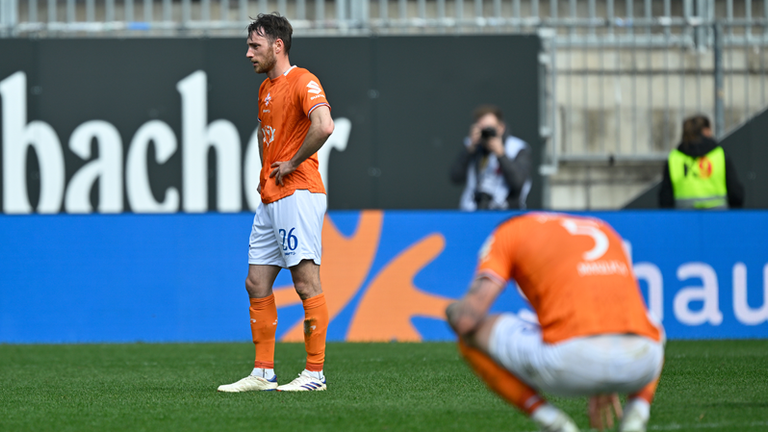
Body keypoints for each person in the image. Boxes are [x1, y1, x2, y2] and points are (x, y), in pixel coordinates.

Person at [446, 212, 665, 432]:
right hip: (642, 363)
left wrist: (450, 310)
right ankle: (636, 418)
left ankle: (554, 424)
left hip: (571, 362)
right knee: (652, 324)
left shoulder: (509, 232)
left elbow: (466, 320)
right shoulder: (601, 227)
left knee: (471, 335)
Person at [217, 13, 334, 393]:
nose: (248, 53)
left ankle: (314, 375)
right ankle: (263, 373)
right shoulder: (265, 89)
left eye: (255, 46)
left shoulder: (303, 80)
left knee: (305, 282)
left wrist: (294, 161)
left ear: (277, 46)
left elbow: (324, 125)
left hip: (298, 191)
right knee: (256, 282)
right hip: (271, 195)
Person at [449, 105, 532, 211]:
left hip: (505, 212)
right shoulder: (473, 147)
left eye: (489, 128)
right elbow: (455, 177)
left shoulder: (516, 148)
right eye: (481, 129)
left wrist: (501, 154)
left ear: (501, 128)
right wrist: (469, 150)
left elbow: (518, 183)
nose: (485, 134)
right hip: (473, 211)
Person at [659, 114, 744, 209]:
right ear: (705, 131)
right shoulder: (719, 155)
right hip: (718, 218)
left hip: (684, 219)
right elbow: (735, 193)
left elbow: (665, 197)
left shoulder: (674, 157)